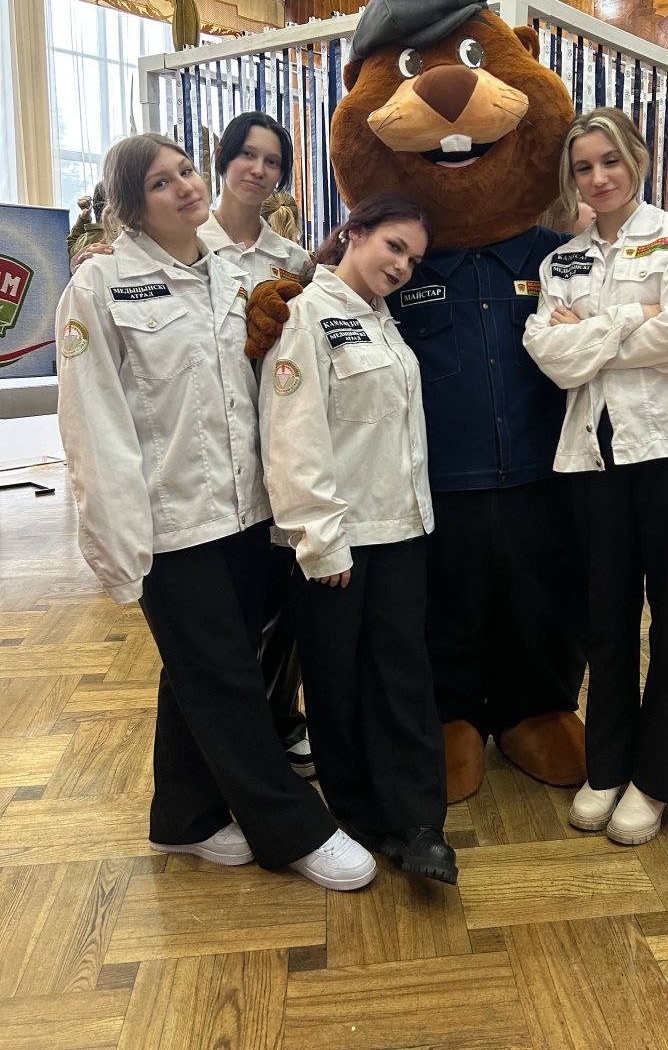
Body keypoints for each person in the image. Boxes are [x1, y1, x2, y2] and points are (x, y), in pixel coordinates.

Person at [56, 132, 376, 890]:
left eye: (185, 170)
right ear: (130, 206)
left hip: (248, 513)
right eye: (160, 183)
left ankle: (185, 817)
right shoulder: (101, 287)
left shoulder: (239, 271)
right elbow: (93, 426)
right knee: (225, 680)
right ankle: (291, 829)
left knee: (201, 672)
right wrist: (119, 549)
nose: (185, 187)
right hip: (172, 523)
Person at [524, 107, 668, 845]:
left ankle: (659, 777)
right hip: (595, 455)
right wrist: (632, 317)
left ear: (637, 161)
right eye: (583, 167)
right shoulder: (561, 263)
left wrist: (591, 332)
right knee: (605, 616)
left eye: (610, 161)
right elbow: (550, 356)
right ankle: (607, 765)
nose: (599, 177)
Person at [258, 194, 457, 885]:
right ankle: (360, 817)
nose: (402, 266)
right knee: (337, 686)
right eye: (394, 246)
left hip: (400, 529)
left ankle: (419, 823)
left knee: (403, 678)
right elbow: (292, 435)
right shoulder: (305, 315)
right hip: (337, 543)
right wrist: (318, 539)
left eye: (414, 259)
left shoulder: (384, 323)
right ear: (354, 233)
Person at [198, 112, 315, 778]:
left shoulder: (290, 260)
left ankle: (281, 719)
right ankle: (234, 748)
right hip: (206, 460)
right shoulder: (186, 247)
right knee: (221, 620)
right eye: (247, 155)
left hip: (274, 453)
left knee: (278, 605)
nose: (258, 170)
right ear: (223, 159)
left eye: (272, 161)